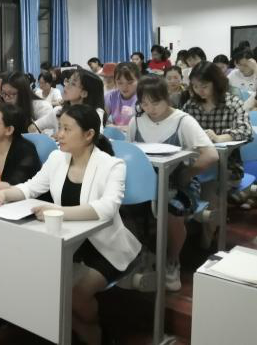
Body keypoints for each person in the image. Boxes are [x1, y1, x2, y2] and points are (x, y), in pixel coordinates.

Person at [0, 104, 141, 345]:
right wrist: (7, 194)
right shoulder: (57, 158)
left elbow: (107, 208)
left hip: (104, 247)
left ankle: (97, 334)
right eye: (59, 127)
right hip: (69, 239)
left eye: (67, 129)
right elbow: (32, 187)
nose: (58, 134)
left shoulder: (112, 165)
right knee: (41, 287)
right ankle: (84, 330)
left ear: (88, 134)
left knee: (76, 296)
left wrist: (58, 212)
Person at [127, 76, 218, 291]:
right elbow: (131, 155)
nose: (150, 109)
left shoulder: (183, 121)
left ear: (167, 98)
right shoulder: (136, 121)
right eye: (144, 103)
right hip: (146, 184)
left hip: (179, 183)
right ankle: (141, 255)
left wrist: (186, 174)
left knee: (172, 210)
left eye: (155, 102)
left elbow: (211, 155)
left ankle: (172, 260)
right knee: (122, 207)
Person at [183, 62, 253, 213]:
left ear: (216, 83)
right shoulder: (191, 105)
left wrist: (220, 137)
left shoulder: (232, 103)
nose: (199, 91)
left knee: (208, 184)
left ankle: (209, 224)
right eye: (195, 86)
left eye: (204, 86)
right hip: (197, 163)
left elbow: (246, 131)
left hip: (227, 166)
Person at [41, 69, 106, 133]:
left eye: (73, 84)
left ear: (84, 93)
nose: (66, 85)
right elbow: (36, 125)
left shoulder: (96, 113)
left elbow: (97, 136)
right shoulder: (59, 110)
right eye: (68, 81)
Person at [104, 62, 139, 129]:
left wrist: (117, 128)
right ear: (115, 81)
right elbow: (103, 120)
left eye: (130, 82)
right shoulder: (110, 96)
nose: (124, 87)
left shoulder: (143, 97)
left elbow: (144, 126)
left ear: (139, 80)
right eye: (120, 83)